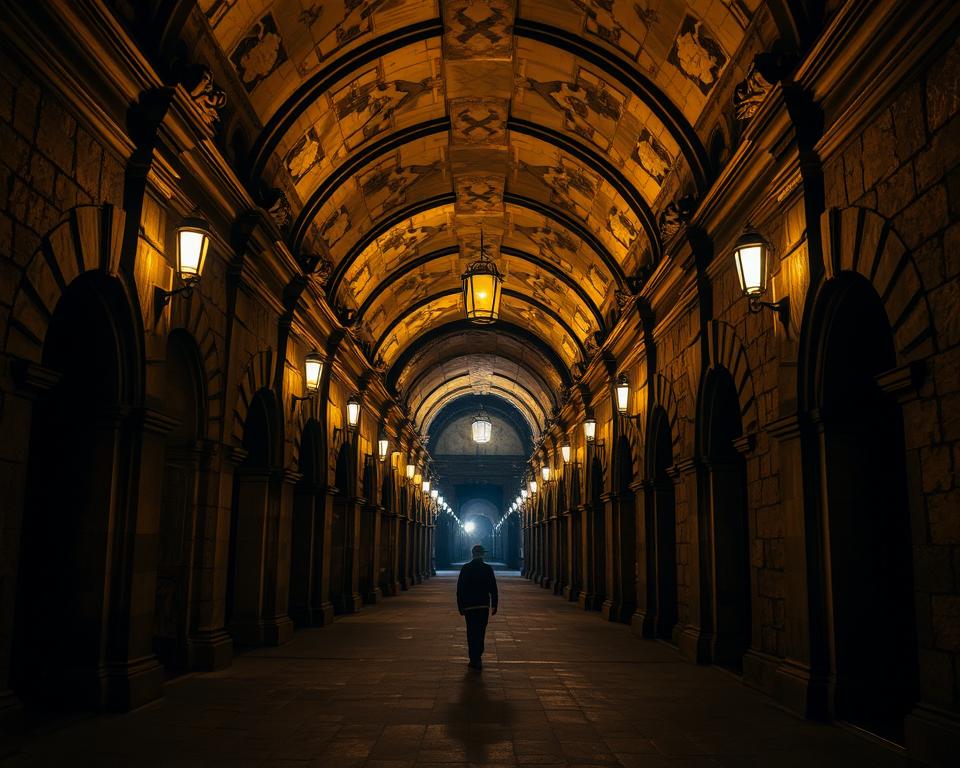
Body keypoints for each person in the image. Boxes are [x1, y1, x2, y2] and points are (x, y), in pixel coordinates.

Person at [457, 544, 498, 670]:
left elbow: (460, 589)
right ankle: (478, 657)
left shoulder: (465, 568)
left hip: (469, 606)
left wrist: (460, 606)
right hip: (483, 605)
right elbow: (493, 588)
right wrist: (494, 604)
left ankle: (473, 658)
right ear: (483, 554)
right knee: (481, 632)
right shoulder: (487, 569)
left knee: (471, 632)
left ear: (472, 554)